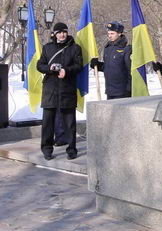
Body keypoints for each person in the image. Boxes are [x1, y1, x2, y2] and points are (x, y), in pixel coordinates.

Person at [36, 22, 82, 161]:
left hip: (67, 89)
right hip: (50, 90)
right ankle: (47, 149)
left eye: (64, 32)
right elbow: (40, 65)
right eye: (59, 32)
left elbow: (78, 66)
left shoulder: (75, 48)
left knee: (70, 123)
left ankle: (71, 149)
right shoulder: (47, 48)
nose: (62, 35)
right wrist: (50, 68)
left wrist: (66, 70)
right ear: (55, 34)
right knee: (47, 123)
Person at [90, 21, 132, 99]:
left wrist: (129, 89)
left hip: (123, 92)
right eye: (108, 33)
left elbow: (131, 71)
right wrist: (97, 65)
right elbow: (107, 67)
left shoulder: (126, 49)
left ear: (119, 33)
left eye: (112, 33)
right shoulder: (107, 48)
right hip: (110, 91)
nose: (109, 36)